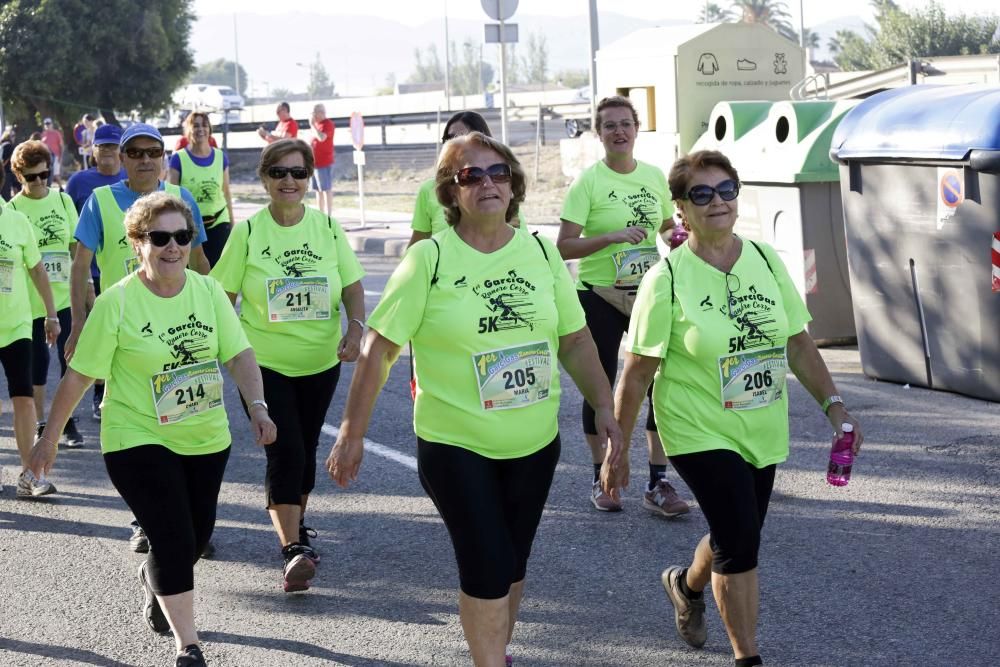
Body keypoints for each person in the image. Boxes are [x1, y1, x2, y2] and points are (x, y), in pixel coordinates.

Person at [327, 131, 622, 666]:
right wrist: (352, 431)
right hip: (456, 443)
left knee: (511, 565)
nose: (487, 183)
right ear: (451, 192)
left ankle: (496, 653)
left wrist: (604, 404)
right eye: (471, 175)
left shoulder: (539, 252)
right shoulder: (429, 260)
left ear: (514, 184)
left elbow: (575, 339)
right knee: (486, 564)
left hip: (534, 443)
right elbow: (378, 349)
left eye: (498, 172)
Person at [607, 150, 864, 667]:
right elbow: (636, 372)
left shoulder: (766, 260)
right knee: (741, 542)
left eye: (726, 189)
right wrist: (619, 447)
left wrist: (835, 408)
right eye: (701, 194)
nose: (717, 201)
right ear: (680, 208)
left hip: (760, 423)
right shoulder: (668, 280)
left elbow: (797, 343)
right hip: (697, 427)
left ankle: (686, 583)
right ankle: (748, 657)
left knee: (736, 532)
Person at [29, 192, 276, 667]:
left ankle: (154, 578)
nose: (173, 247)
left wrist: (258, 408)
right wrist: (49, 437)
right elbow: (80, 375)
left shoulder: (206, 291)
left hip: (205, 436)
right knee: (171, 536)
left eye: (182, 237)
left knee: (197, 537)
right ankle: (190, 645)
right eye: (159, 237)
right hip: (136, 435)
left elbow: (240, 353)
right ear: (137, 242)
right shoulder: (117, 302)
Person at [211, 138, 365, 593]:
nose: (289, 181)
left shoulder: (329, 229)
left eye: (298, 173)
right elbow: (224, 298)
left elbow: (353, 287)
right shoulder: (250, 232)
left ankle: (297, 533)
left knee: (306, 456)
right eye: (279, 172)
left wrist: (354, 329)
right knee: (286, 450)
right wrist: (228, 349)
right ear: (264, 179)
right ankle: (291, 549)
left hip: (321, 362)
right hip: (263, 365)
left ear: (309, 179)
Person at [69, 122, 212, 556]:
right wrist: (79, 324)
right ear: (124, 159)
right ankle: (147, 520)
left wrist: (220, 312)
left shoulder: (181, 199)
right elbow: (80, 268)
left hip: (182, 327)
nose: (146, 159)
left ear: (163, 156)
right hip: (125, 331)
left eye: (154, 151)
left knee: (184, 421)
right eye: (137, 152)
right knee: (135, 428)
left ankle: (183, 520)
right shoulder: (101, 200)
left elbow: (201, 258)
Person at [556, 95, 689, 515]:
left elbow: (667, 228)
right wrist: (609, 237)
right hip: (598, 294)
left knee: (658, 384)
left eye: (625, 124)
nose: (619, 131)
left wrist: (675, 239)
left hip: (648, 295)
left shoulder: (653, 178)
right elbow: (563, 247)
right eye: (610, 125)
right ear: (600, 135)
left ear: (636, 129)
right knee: (600, 386)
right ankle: (601, 478)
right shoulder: (588, 183)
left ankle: (658, 482)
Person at [5, 140, 83, 448]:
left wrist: (86, 288)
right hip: (30, 304)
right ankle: (40, 423)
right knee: (36, 366)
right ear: (18, 176)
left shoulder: (63, 202)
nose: (38, 182)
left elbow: (77, 250)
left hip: (63, 297)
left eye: (44, 175)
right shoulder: (12, 211)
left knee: (71, 362)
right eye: (31, 177)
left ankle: (66, 423)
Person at [0, 183, 61, 497]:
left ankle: (28, 475)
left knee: (23, 397)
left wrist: (51, 314)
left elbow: (38, 271)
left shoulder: (15, 220)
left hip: (16, 325)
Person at [65, 123, 127, 422]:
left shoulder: (132, 179)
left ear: (121, 151)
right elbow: (69, 228)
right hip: (88, 270)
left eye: (113, 146)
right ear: (93, 150)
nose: (107, 152)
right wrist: (84, 277)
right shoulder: (78, 182)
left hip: (123, 271)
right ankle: (98, 394)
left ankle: (118, 393)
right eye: (102, 146)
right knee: (95, 335)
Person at [407, 111, 526, 249]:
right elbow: (416, 246)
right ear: (451, 193)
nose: (487, 185)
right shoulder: (429, 189)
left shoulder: (500, 189)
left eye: (464, 136)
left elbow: (523, 245)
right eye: (449, 138)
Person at [168, 112, 234, 266]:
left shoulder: (221, 157)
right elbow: (171, 197)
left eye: (204, 125)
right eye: (195, 125)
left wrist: (231, 221)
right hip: (190, 226)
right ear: (188, 130)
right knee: (194, 272)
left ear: (209, 129)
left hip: (219, 222)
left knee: (220, 270)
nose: (200, 129)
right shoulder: (178, 159)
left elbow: (226, 191)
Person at [309, 104, 335, 216]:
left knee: (325, 189)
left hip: (324, 162)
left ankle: (329, 214)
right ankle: (321, 213)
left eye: (314, 113)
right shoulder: (316, 125)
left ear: (321, 113)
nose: (313, 116)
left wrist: (312, 125)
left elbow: (322, 137)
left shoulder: (327, 124)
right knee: (317, 190)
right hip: (315, 162)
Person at [40, 119, 64, 187]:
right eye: (46, 124)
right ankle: (47, 188)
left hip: (56, 156)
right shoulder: (43, 134)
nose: (47, 125)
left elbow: (61, 146)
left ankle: (61, 188)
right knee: (47, 173)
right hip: (46, 157)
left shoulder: (56, 133)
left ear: (52, 124)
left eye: (49, 124)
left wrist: (61, 157)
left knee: (56, 174)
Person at [1, 126, 16, 201]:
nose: (14, 138)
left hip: (2, 172)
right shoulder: (9, 146)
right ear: (8, 137)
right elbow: (4, 160)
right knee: (6, 195)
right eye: (12, 136)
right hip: (6, 172)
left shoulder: (1, 145)